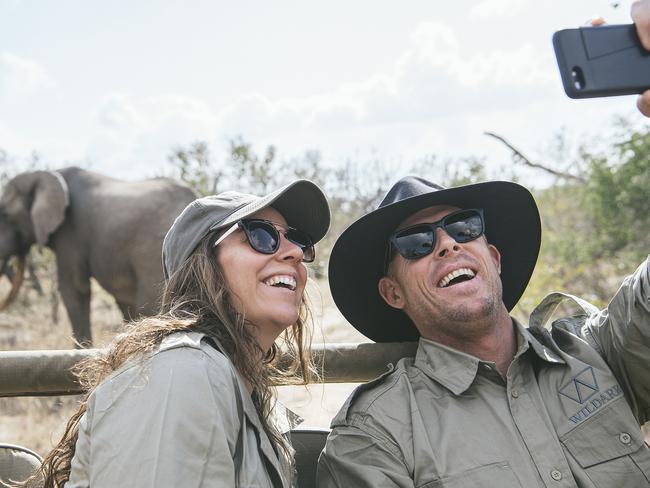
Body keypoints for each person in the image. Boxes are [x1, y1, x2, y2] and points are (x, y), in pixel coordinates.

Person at [317, 176, 650, 487]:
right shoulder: (376, 434)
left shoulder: (599, 350)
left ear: (493, 259)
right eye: (417, 242)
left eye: (464, 228)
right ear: (394, 293)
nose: (447, 244)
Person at [30, 180, 330, 487]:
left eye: (298, 240)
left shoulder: (238, 386)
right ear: (203, 265)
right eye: (261, 235)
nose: (294, 252)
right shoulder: (182, 372)